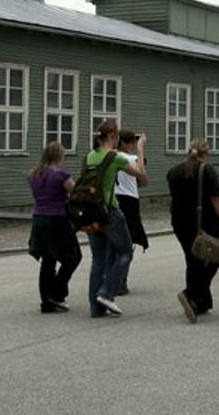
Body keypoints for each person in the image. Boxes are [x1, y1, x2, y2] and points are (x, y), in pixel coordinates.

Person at [168, 139, 219, 323]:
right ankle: (191, 294)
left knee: (192, 258)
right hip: (203, 222)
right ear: (206, 153)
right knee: (214, 259)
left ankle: (200, 302)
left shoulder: (174, 171)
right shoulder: (206, 170)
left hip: (179, 222)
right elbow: (217, 199)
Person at [84, 122, 140, 318]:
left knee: (97, 259)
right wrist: (140, 151)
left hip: (90, 211)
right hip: (109, 211)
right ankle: (107, 293)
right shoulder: (115, 157)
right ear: (113, 135)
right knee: (125, 252)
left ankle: (95, 307)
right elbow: (141, 176)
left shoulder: (89, 156)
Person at [27, 141, 81, 313]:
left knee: (48, 260)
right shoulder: (60, 175)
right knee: (73, 256)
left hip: (39, 219)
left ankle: (46, 301)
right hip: (57, 219)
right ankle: (57, 293)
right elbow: (75, 191)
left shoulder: (33, 174)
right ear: (59, 155)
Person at [113, 129, 149, 296]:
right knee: (128, 244)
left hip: (113, 200)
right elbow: (143, 178)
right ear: (127, 144)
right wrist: (141, 151)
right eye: (134, 143)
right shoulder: (131, 158)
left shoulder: (111, 156)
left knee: (113, 243)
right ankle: (121, 281)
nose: (135, 145)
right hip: (129, 202)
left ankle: (111, 278)